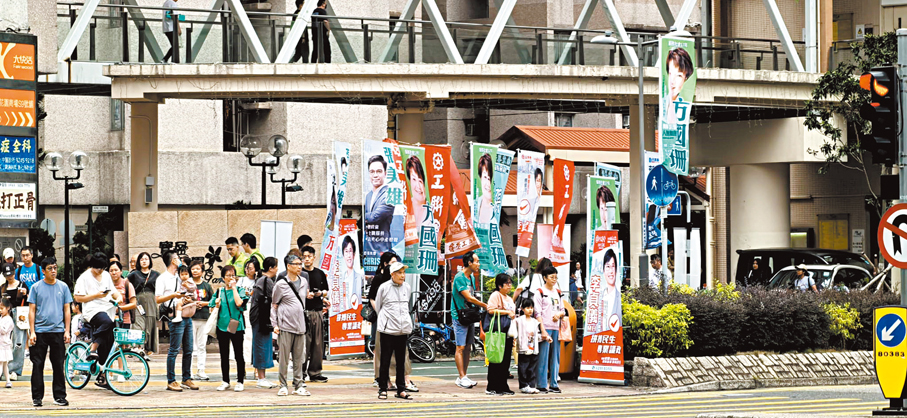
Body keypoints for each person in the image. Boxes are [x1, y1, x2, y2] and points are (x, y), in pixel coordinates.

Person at [73, 252, 122, 389]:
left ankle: (103, 376)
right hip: (92, 310)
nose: (100, 271)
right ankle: (93, 348)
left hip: (107, 309)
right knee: (107, 323)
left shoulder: (106, 275)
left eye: (102, 268)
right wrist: (97, 295)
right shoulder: (84, 278)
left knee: (109, 342)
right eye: (97, 268)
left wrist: (119, 297)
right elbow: (78, 298)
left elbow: (113, 291)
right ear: (92, 266)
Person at [27, 257, 72, 407]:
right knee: (37, 364)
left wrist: (67, 330)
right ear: (43, 271)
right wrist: (32, 331)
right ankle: (37, 397)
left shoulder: (63, 287)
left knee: (58, 365)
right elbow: (31, 310)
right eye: (50, 269)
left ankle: (59, 396)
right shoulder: (36, 287)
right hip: (39, 331)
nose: (53, 271)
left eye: (55, 268)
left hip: (58, 331)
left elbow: (67, 309)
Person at [368, 252, 415, 392]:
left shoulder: (407, 287)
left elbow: (407, 306)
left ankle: (402, 387)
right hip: (387, 328)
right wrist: (385, 319)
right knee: (385, 358)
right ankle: (383, 386)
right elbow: (378, 304)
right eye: (399, 272)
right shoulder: (383, 285)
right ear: (391, 273)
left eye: (403, 272)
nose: (402, 275)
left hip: (402, 328)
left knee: (401, 359)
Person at [155, 251, 197, 392]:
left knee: (189, 349)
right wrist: (173, 295)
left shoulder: (181, 276)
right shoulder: (162, 278)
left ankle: (186, 378)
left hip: (186, 314)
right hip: (174, 316)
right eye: (177, 258)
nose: (179, 260)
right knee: (174, 350)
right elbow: (158, 299)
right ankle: (171, 380)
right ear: (173, 261)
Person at [271, 254, 311, 396]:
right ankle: (283, 385)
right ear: (289, 266)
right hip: (285, 326)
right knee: (284, 358)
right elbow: (274, 305)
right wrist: (275, 324)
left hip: (300, 325)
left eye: (300, 264)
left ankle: (299, 384)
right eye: (297, 264)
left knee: (299, 357)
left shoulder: (304, 281)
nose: (300, 266)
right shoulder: (281, 284)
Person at [209, 265, 250, 392]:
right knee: (224, 355)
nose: (231, 278)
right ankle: (225, 380)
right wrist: (215, 304)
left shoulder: (240, 290)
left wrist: (233, 289)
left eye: (233, 275)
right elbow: (211, 308)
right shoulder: (219, 292)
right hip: (222, 326)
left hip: (237, 326)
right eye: (228, 276)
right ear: (223, 278)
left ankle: (240, 381)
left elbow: (239, 303)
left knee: (239, 354)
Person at [451, 250, 488, 389]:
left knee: (467, 347)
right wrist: (484, 305)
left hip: (469, 315)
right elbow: (468, 297)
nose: (478, 264)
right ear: (469, 262)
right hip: (460, 316)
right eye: (476, 261)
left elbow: (472, 296)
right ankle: (461, 377)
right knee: (460, 347)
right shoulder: (460, 277)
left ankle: (464, 376)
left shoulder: (471, 277)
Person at [533, 266, 567, 394]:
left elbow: (563, 309)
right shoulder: (540, 292)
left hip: (556, 327)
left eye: (556, 277)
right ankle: (541, 384)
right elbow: (537, 313)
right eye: (552, 277)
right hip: (545, 327)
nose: (554, 280)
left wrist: (559, 315)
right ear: (545, 278)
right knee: (543, 356)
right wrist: (542, 330)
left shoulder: (558, 292)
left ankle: (554, 383)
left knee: (555, 357)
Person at [301, 246, 329, 383]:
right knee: (304, 344)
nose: (307, 259)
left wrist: (320, 294)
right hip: (303, 312)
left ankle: (315, 372)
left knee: (318, 344)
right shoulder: (300, 274)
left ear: (314, 257)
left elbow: (326, 290)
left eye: (309, 256)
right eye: (304, 256)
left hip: (318, 311)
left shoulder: (320, 273)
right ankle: (300, 372)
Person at [485, 273, 516, 396]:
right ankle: (492, 386)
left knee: (506, 360)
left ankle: (503, 385)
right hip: (498, 331)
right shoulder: (496, 295)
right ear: (499, 285)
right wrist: (506, 312)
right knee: (496, 359)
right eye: (507, 283)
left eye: (510, 283)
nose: (509, 286)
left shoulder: (509, 298)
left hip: (507, 332)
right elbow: (490, 310)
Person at [251, 257, 278, 388]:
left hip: (260, 319)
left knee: (264, 346)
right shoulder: (266, 281)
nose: (277, 269)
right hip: (262, 319)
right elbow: (274, 299)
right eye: (276, 266)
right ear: (271, 268)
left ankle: (263, 377)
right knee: (261, 346)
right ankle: (261, 378)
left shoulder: (263, 280)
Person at [128, 252, 160, 355]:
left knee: (150, 324)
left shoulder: (156, 274)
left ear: (150, 261)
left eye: (146, 259)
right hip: (138, 301)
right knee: (138, 324)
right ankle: (138, 347)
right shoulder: (133, 274)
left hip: (151, 301)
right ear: (138, 262)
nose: (144, 261)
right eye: (142, 259)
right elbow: (125, 285)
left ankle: (147, 350)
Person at [364, 155, 395, 256]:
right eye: (372, 172)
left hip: (383, 250)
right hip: (368, 250)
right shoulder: (368, 196)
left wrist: (363, 217)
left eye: (379, 171)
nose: (375, 175)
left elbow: (373, 218)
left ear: (385, 174)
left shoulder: (389, 195)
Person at [1, 262, 26, 381]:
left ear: (14, 272)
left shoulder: (22, 285)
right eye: (7, 275)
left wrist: (26, 294)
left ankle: (14, 369)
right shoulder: (2, 287)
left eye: (11, 274)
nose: (9, 277)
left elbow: (30, 301)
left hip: (19, 314)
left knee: (18, 343)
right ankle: (4, 368)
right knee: (4, 342)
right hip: (5, 316)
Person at [514, 298, 545, 394]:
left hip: (533, 347)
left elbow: (537, 334)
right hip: (524, 347)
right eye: (527, 307)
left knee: (532, 367)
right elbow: (515, 332)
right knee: (523, 367)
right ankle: (524, 385)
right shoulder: (518, 320)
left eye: (531, 308)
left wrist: (545, 338)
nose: (530, 310)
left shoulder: (535, 322)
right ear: (522, 309)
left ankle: (531, 385)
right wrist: (514, 339)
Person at [189, 259, 213, 381]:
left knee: (202, 345)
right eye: (193, 269)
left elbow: (213, 301)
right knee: (191, 346)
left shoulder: (207, 286)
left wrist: (203, 304)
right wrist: (193, 303)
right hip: (191, 318)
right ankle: (189, 371)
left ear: (202, 271)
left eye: (197, 269)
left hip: (204, 318)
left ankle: (201, 370)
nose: (195, 271)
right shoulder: (187, 284)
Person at [591, 249, 621, 335]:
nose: (611, 271)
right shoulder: (597, 297)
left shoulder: (618, 298)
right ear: (603, 270)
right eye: (608, 266)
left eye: (613, 266)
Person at [664, 46, 694, 125]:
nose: (673, 81)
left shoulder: (683, 104)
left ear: (685, 78)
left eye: (679, 76)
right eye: (671, 74)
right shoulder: (662, 101)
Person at [338, 236, 363, 314]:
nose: (348, 255)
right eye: (346, 251)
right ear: (343, 255)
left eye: (350, 251)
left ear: (354, 254)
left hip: (355, 315)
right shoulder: (339, 278)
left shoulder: (359, 277)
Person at [109, 261, 137, 330]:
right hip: (108, 320)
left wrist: (119, 309)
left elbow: (133, 304)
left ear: (121, 271)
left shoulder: (127, 284)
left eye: (116, 270)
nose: (114, 273)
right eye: (111, 271)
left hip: (124, 320)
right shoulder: (106, 285)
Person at [406, 155, 427, 224]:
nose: (418, 186)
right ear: (410, 182)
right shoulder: (405, 209)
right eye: (414, 179)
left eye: (420, 181)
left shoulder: (432, 210)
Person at [476, 153, 494, 225]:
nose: (488, 183)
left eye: (490, 178)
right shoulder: (474, 205)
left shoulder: (497, 208)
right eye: (485, 177)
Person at [0, 298, 14, 388]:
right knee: (4, 364)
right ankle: (8, 381)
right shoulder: (2, 318)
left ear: (8, 308)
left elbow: (4, 331)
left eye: (2, 308)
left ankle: (8, 380)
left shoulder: (9, 320)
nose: (0, 310)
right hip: (2, 344)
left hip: (4, 344)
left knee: (1, 363)